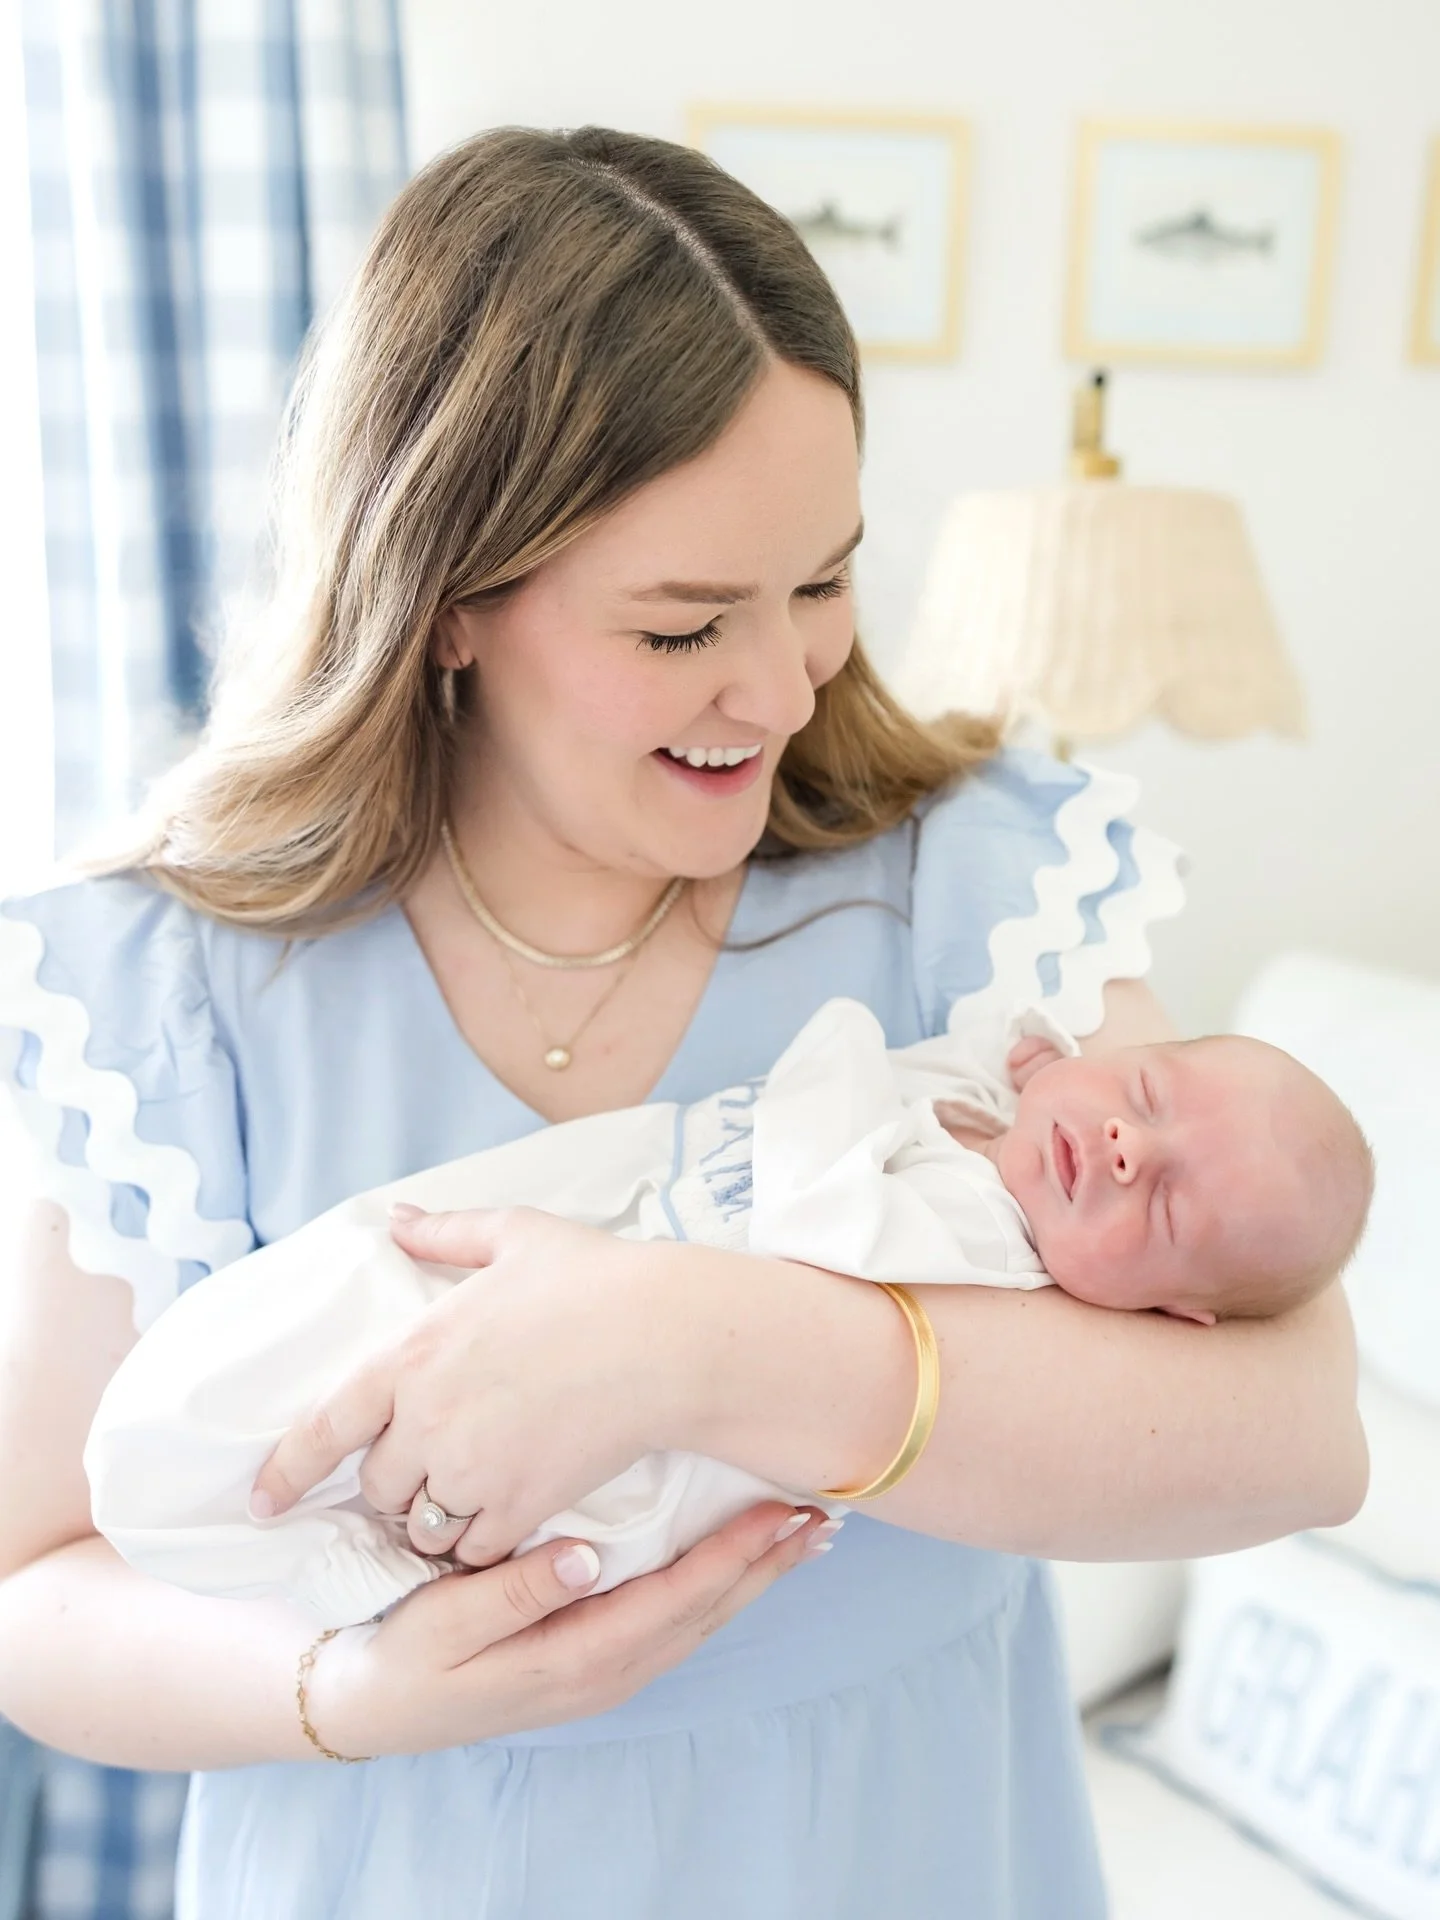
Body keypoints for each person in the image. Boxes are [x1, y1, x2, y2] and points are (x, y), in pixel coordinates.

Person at [0, 125, 1367, 1920]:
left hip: (902, 1848)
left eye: (819, 583)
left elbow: (1297, 1437)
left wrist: (702, 1342)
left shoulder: (972, 893)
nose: (783, 681)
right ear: (451, 602)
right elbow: (33, 1587)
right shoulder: (168, 987)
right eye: (681, 625)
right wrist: (350, 1695)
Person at [82, 996, 1376, 1636]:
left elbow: (811, 1224)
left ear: (1170, 1318)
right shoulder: (999, 1084)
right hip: (592, 1239)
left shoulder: (990, 1250)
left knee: (441, 1493)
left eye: (1169, 1212)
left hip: (647, 1446)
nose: (1126, 1146)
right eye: (1143, 1094)